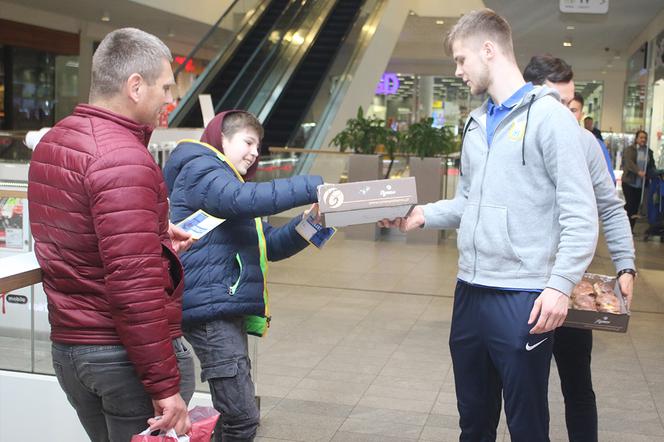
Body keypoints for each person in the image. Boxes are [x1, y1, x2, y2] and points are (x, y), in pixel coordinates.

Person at [380, 9, 598, 441]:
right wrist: (423, 214)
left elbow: (581, 212)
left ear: (488, 49)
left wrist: (559, 285)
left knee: (527, 424)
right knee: (474, 422)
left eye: (461, 60)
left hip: (522, 296)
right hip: (469, 293)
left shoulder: (551, 119)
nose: (457, 71)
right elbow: (469, 201)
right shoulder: (476, 122)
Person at [27, 28, 195, 441]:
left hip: (71, 351)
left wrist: (153, 233)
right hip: (121, 358)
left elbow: (77, 239)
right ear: (134, 86)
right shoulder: (123, 157)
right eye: (166, 87)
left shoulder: (54, 141)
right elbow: (133, 285)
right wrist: (165, 386)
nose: (170, 99)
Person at [163, 110, 323, 442]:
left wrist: (316, 221)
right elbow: (242, 199)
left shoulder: (229, 187)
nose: (254, 153)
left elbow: (273, 246)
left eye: (258, 146)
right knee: (243, 418)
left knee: (233, 415)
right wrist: (314, 185)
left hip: (225, 308)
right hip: (210, 311)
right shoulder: (201, 168)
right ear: (221, 139)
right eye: (247, 142)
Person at [522, 54, 636, 442]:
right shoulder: (514, 136)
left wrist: (626, 265)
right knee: (526, 392)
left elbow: (610, 206)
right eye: (560, 106)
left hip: (569, 286)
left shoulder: (585, 143)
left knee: (577, 386)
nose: (568, 116)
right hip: (522, 287)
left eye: (573, 107)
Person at [569, 94, 615, 183]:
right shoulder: (547, 140)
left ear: (581, 115)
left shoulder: (594, 143)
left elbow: (608, 180)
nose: (568, 113)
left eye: (573, 110)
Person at [622, 130, 656, 230]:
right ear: (636, 139)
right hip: (629, 182)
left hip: (641, 185)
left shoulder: (648, 152)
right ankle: (624, 225)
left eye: (645, 138)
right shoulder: (630, 150)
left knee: (635, 207)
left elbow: (651, 166)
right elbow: (629, 163)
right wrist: (638, 172)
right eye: (641, 137)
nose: (643, 140)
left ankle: (631, 228)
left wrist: (651, 173)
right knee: (630, 204)